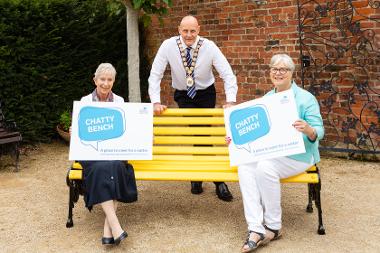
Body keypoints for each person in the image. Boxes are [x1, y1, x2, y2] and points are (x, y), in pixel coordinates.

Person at [227, 54, 324, 252]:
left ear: (291, 73)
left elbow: (319, 131)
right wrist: (235, 139)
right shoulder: (268, 99)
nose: (277, 73)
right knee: (245, 166)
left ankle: (273, 226)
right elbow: (258, 134)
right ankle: (255, 228)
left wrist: (308, 129)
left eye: (283, 69)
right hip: (273, 154)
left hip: (300, 156)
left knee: (265, 167)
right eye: (274, 69)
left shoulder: (306, 98)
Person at [148, 15, 238, 201]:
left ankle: (216, 179)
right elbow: (155, 74)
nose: (189, 35)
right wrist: (155, 101)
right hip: (183, 94)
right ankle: (199, 175)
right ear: (179, 29)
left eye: (192, 31)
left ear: (199, 29)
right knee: (195, 134)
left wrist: (231, 100)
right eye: (185, 31)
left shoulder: (209, 46)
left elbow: (228, 74)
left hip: (206, 93)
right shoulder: (168, 46)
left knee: (204, 135)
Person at [74, 63, 137, 246]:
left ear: (114, 81)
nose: (105, 83)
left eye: (109, 80)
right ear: (95, 80)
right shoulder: (85, 102)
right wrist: (75, 131)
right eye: (102, 79)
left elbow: (125, 130)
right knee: (102, 167)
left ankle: (108, 229)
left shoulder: (120, 101)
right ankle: (114, 223)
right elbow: (81, 133)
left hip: (113, 150)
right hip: (90, 152)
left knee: (116, 166)